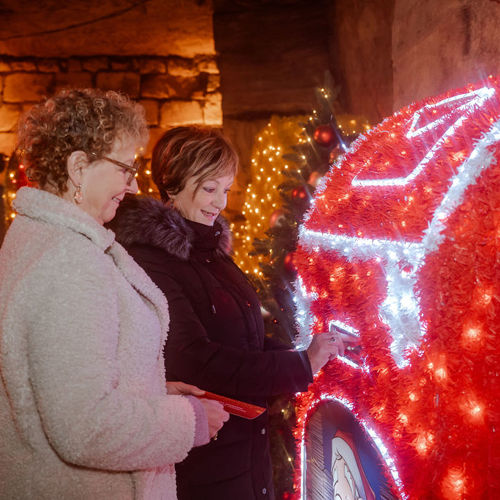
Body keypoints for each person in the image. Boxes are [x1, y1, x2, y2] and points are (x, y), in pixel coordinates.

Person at [0, 90, 228, 500]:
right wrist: (187, 421)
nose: (134, 184)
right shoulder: (68, 262)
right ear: (79, 168)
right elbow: (83, 425)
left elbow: (63, 381)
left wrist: (155, 391)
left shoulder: (52, 241)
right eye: (126, 168)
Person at [110, 126, 349, 499]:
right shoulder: (150, 259)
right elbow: (193, 360)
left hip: (246, 451)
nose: (219, 203)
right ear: (172, 184)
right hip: (205, 463)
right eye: (209, 189)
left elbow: (244, 340)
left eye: (225, 190)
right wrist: (299, 367)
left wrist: (308, 356)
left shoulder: (212, 252)